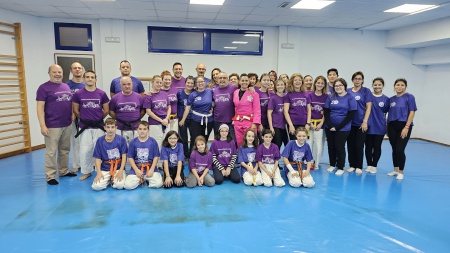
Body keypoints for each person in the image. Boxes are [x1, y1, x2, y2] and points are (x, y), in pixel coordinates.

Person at [36, 64, 76, 185]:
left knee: (64, 149)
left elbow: (69, 102)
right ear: (49, 73)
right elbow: (40, 107)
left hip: (67, 123)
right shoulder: (43, 88)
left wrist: (72, 114)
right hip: (52, 125)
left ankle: (63, 171)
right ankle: (50, 176)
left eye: (59, 72)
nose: (58, 74)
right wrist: (42, 125)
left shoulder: (65, 86)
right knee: (51, 151)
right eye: (55, 72)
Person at [72, 70, 109, 181]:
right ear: (84, 79)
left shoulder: (101, 93)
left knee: (101, 149)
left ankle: (102, 170)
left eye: (92, 77)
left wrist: (97, 120)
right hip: (85, 126)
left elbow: (106, 110)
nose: (90, 79)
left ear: (95, 79)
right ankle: (86, 171)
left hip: (99, 126)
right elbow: (76, 110)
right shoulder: (78, 94)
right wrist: (85, 119)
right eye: (87, 77)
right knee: (85, 150)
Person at [324, 78, 357, 176]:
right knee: (331, 146)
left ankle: (340, 167)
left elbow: (351, 114)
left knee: (339, 146)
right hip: (330, 126)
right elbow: (326, 110)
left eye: (340, 85)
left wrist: (338, 127)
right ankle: (332, 164)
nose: (338, 87)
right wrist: (330, 125)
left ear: (344, 86)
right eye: (336, 86)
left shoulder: (350, 97)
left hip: (343, 127)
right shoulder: (331, 97)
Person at [387, 78, 417, 180]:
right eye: (397, 85)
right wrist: (387, 127)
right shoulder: (391, 99)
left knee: (400, 149)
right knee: (394, 149)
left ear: (405, 86)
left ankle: (401, 171)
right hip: (392, 126)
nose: (399, 87)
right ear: (394, 86)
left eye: (402, 85)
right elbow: (388, 113)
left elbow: (412, 112)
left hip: (404, 125)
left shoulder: (409, 97)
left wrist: (406, 127)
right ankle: (395, 170)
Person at [346, 71, 372, 175]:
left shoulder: (366, 91)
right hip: (349, 123)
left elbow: (368, 107)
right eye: (355, 78)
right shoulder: (348, 91)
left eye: (359, 79)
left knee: (359, 145)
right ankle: (352, 165)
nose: (357, 80)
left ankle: (359, 166)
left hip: (361, 123)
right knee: (350, 144)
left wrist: (365, 121)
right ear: (352, 80)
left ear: (362, 80)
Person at [91, 118, 128, 191]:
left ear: (116, 128)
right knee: (96, 187)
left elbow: (124, 157)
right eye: (108, 127)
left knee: (119, 185)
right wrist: (98, 173)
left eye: (112, 127)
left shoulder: (121, 139)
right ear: (104, 128)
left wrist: (121, 171)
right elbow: (97, 158)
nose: (110, 130)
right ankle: (108, 180)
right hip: (105, 168)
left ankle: (112, 180)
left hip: (118, 167)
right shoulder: (100, 141)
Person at [179, 76, 214, 152]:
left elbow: (216, 101)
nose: (200, 83)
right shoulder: (193, 94)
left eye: (202, 82)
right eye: (198, 82)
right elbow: (187, 108)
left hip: (208, 120)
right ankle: (193, 156)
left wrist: (213, 108)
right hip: (196, 120)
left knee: (205, 139)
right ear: (196, 84)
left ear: (205, 83)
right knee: (195, 139)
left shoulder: (210, 92)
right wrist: (183, 120)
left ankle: (203, 156)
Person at [124, 121, 162, 190]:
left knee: (158, 184)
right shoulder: (133, 142)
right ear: (137, 130)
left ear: (148, 130)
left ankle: (146, 179)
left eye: (144, 129)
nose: (142, 131)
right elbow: (130, 157)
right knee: (128, 186)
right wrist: (136, 170)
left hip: (149, 167)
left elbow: (156, 156)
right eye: (140, 129)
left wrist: (152, 169)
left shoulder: (153, 141)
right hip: (137, 167)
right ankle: (140, 180)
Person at [109, 76, 145, 145]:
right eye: (124, 84)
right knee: (121, 149)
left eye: (129, 84)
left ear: (132, 84)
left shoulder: (139, 97)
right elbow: (111, 111)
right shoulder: (115, 98)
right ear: (120, 85)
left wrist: (136, 118)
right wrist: (119, 119)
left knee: (136, 149)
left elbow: (143, 111)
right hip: (120, 128)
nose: (127, 86)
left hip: (135, 128)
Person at [365, 77, 389, 174]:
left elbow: (386, 112)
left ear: (383, 86)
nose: (377, 86)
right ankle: (369, 164)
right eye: (375, 84)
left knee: (377, 146)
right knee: (368, 146)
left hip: (380, 126)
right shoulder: (368, 96)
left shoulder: (386, 99)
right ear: (372, 85)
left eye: (379, 85)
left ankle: (374, 165)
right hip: (368, 125)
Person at [233, 73, 261, 147]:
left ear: (249, 82)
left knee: (250, 142)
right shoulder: (235, 92)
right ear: (239, 82)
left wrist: (255, 123)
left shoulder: (254, 94)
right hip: (238, 122)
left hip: (250, 122)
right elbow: (235, 107)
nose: (244, 82)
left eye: (246, 80)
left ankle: (251, 158)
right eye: (242, 80)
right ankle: (241, 158)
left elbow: (257, 110)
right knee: (239, 142)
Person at [144, 75, 170, 153]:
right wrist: (161, 120)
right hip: (154, 123)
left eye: (160, 82)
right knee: (156, 144)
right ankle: (156, 163)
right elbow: (148, 111)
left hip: (165, 122)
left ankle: (164, 163)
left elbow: (169, 107)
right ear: (152, 83)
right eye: (157, 82)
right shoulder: (148, 96)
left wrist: (166, 119)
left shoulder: (164, 94)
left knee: (166, 143)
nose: (159, 84)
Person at [66, 62, 85, 174]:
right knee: (75, 141)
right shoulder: (67, 85)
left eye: (79, 68)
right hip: (72, 116)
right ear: (71, 70)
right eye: (75, 68)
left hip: (85, 116)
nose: (77, 70)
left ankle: (88, 163)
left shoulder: (86, 84)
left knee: (87, 141)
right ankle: (76, 164)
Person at [284, 73, 311, 140]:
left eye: (299, 80)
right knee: (293, 144)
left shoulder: (306, 94)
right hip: (293, 123)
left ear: (302, 82)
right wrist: (290, 125)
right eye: (295, 80)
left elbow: (309, 110)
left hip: (304, 123)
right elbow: (285, 111)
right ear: (292, 82)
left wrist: (308, 123)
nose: (298, 82)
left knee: (302, 143)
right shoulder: (288, 95)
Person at [309, 76, 328, 169]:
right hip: (310, 123)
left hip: (320, 123)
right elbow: (307, 110)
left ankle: (316, 164)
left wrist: (321, 123)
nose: (320, 85)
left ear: (324, 85)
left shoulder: (326, 97)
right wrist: (309, 123)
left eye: (322, 83)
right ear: (315, 83)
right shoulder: (310, 95)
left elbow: (326, 112)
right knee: (308, 144)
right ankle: (308, 162)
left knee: (318, 145)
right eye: (318, 82)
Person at [212, 72, 237, 140]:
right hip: (217, 121)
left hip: (230, 121)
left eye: (224, 78)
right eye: (220, 78)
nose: (222, 79)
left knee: (232, 142)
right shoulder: (214, 90)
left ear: (228, 79)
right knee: (218, 142)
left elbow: (244, 88)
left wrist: (251, 88)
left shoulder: (234, 88)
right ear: (217, 79)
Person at [268, 79, 289, 149]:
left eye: (282, 85)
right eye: (278, 85)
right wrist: (271, 127)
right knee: (277, 145)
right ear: (275, 87)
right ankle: (275, 159)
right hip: (276, 125)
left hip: (286, 126)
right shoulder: (273, 98)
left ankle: (289, 160)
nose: (280, 86)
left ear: (284, 86)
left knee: (288, 145)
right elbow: (269, 113)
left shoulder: (287, 97)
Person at [177, 76, 195, 159]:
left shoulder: (195, 93)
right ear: (185, 83)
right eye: (188, 82)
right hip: (182, 118)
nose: (190, 84)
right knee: (183, 138)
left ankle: (191, 154)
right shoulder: (180, 93)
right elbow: (177, 105)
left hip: (193, 118)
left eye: (192, 83)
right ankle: (185, 154)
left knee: (193, 137)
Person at [255, 73, 272, 140]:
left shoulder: (272, 93)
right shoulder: (256, 92)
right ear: (260, 81)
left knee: (268, 142)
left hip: (269, 122)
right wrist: (259, 123)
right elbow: (255, 110)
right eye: (264, 80)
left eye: (268, 80)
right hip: (260, 122)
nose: (266, 82)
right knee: (262, 142)